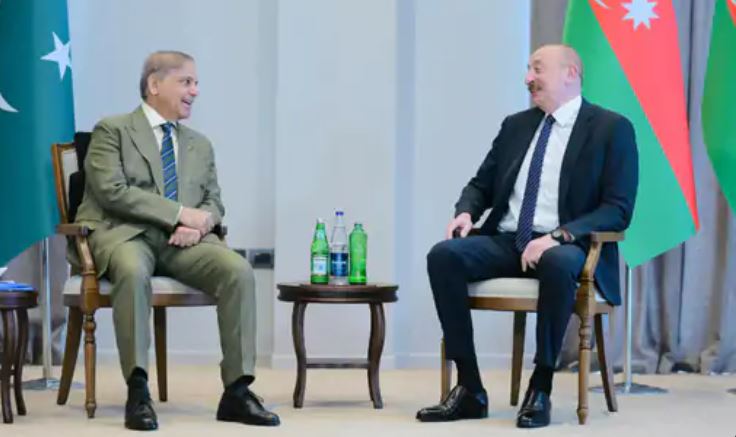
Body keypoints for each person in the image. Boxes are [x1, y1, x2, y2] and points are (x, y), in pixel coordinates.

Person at [415, 44, 638, 428]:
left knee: (556, 263)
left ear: (570, 73)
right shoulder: (516, 126)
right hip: (508, 239)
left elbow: (617, 209)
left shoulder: (610, 128)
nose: (527, 78)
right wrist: (465, 212)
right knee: (444, 256)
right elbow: (481, 184)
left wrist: (559, 235)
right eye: (527, 69)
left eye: (537, 69)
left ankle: (541, 386)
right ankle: (469, 389)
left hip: (567, 245)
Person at [74, 51, 280, 430]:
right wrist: (179, 214)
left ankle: (237, 392)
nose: (195, 91)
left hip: (183, 243)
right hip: (126, 235)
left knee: (238, 271)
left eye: (196, 83)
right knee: (132, 271)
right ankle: (138, 391)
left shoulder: (200, 144)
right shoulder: (113, 130)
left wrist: (199, 226)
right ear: (154, 84)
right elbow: (111, 191)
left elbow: (213, 202)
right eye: (186, 82)